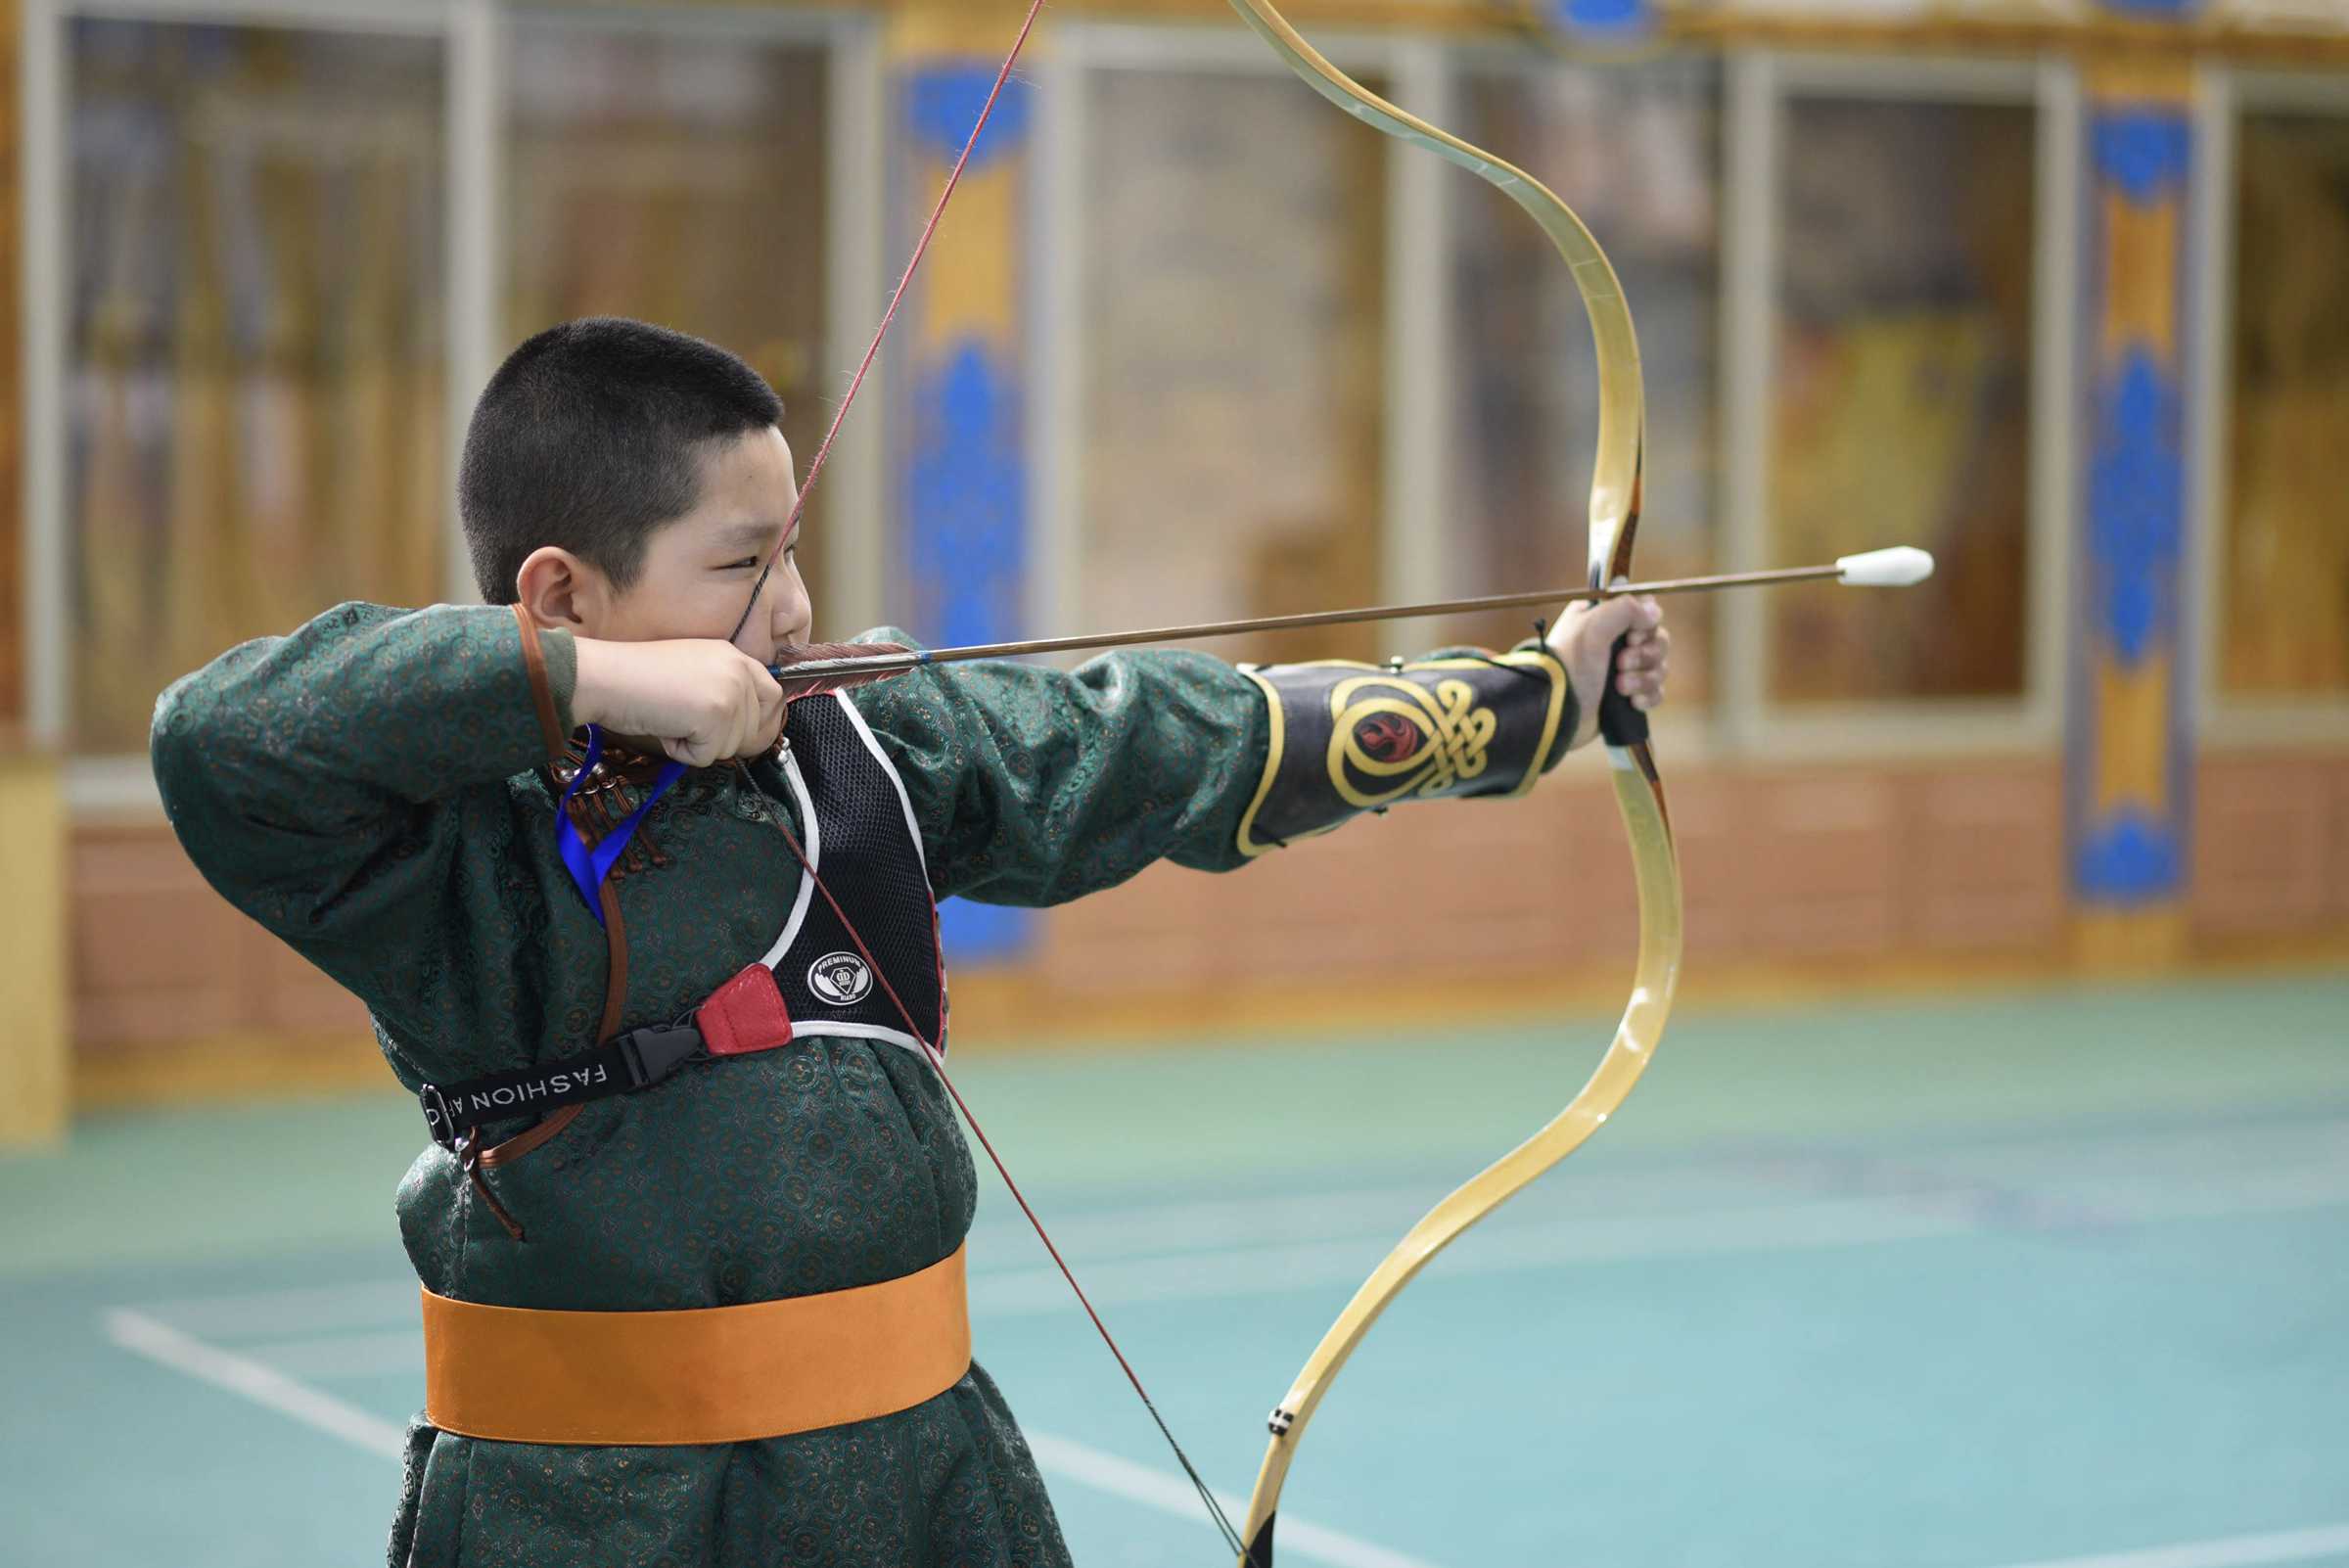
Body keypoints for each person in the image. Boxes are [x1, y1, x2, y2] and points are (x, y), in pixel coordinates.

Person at [151, 317, 1670, 1568]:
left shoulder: (865, 741)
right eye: (743, 566)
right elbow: (221, 739)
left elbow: (1171, 744)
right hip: (582, 1520)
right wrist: (596, 684)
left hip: (922, 1500)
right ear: (566, 592)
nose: (798, 608)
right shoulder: (460, 843)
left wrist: (1539, 700)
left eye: (796, 553)